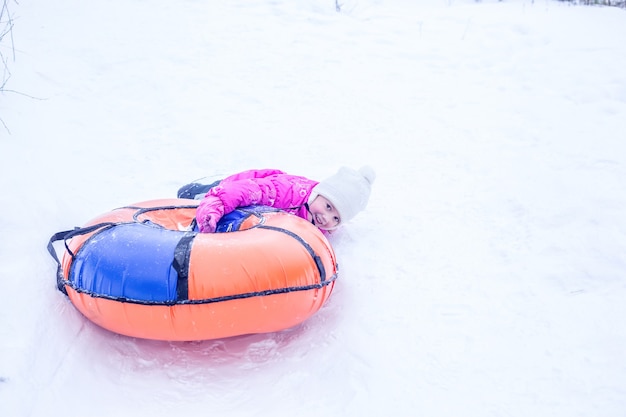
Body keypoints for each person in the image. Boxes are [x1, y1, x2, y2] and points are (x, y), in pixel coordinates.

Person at [178, 166, 375, 233]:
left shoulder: (322, 224)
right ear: (318, 193)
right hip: (242, 188)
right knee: (211, 195)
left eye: (336, 219)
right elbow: (243, 191)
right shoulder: (286, 194)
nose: (327, 218)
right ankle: (207, 186)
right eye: (329, 206)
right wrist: (214, 208)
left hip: (262, 208)